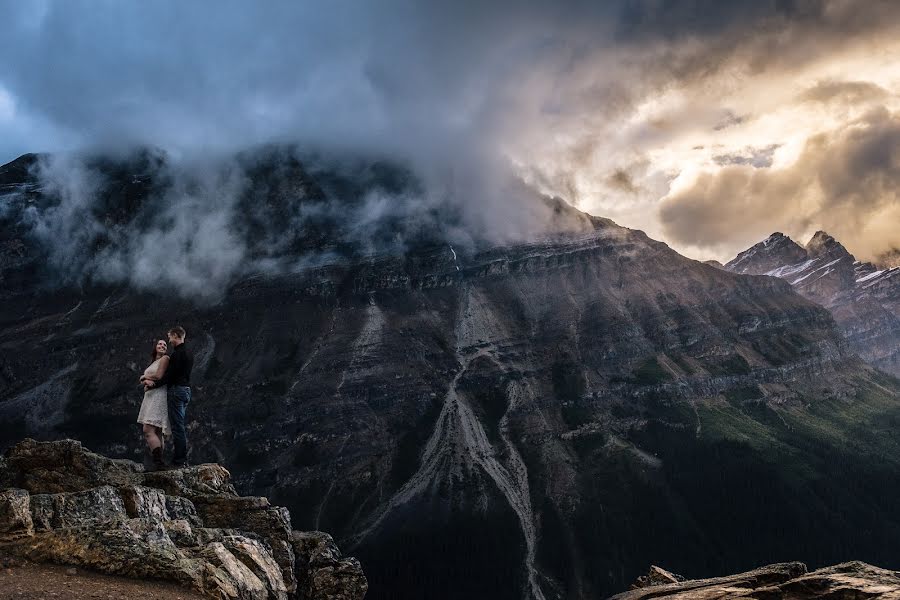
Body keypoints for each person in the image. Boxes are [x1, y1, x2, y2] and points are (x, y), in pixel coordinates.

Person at [146, 326, 194, 467]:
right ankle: (179, 460)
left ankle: (179, 461)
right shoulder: (189, 353)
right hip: (186, 391)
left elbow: (169, 376)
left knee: (177, 427)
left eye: (170, 337)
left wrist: (153, 385)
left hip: (177, 391)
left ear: (175, 335)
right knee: (179, 425)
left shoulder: (177, 354)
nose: (169, 340)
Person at [137, 339, 171, 470]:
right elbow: (147, 381)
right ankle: (159, 463)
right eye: (159, 344)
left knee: (148, 430)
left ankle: (159, 462)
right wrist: (145, 382)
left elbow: (158, 375)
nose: (162, 346)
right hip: (151, 397)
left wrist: (144, 378)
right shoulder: (154, 362)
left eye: (164, 345)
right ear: (155, 347)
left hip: (158, 396)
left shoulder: (165, 359)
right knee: (156, 431)